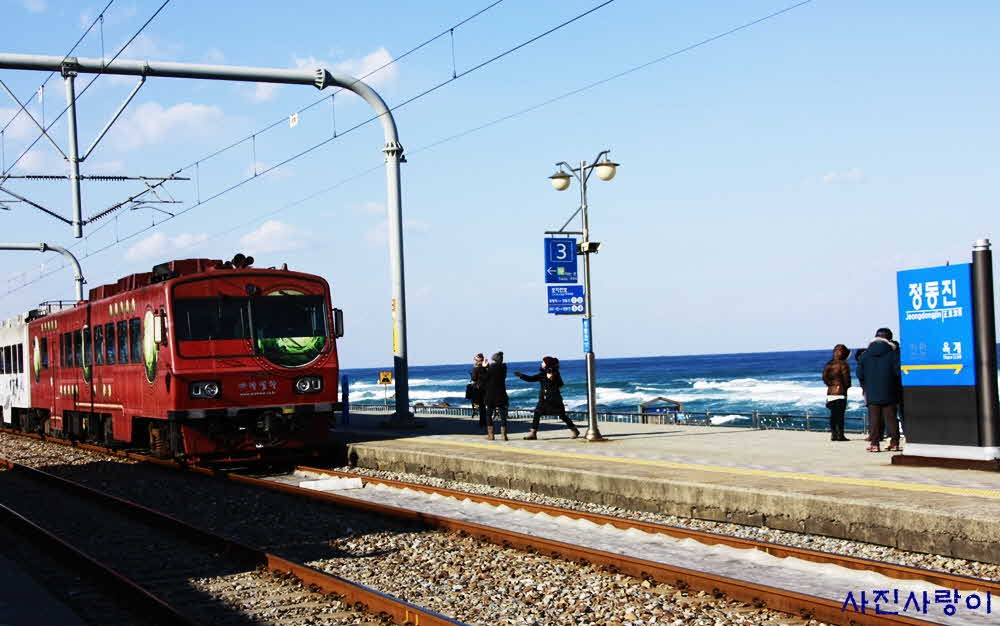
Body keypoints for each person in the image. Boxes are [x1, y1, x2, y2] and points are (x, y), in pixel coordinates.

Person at [857, 328, 902, 452]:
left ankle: (875, 444)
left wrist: (866, 385)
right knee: (891, 418)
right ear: (889, 339)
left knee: (874, 419)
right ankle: (894, 443)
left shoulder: (865, 355)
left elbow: (859, 374)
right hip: (890, 389)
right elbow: (898, 372)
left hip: (871, 390)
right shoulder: (893, 353)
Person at [516, 356, 579, 440]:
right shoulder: (542, 374)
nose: (541, 363)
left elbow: (561, 384)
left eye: (543, 362)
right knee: (537, 413)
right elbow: (531, 379)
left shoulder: (555, 373)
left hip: (554, 399)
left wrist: (552, 379)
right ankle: (533, 433)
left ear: (547, 364)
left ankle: (575, 430)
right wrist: (521, 376)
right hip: (543, 399)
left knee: (562, 415)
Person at [822, 344, 851, 442]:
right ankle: (840, 435)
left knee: (833, 415)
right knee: (840, 415)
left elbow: (824, 378)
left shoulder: (829, 364)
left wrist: (831, 385)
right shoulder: (843, 364)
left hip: (831, 392)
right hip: (841, 392)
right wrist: (846, 386)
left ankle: (834, 434)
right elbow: (846, 379)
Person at [482, 351, 509, 441]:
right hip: (501, 393)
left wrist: (484, 367)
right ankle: (504, 435)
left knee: (489, 414)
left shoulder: (492, 367)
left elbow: (485, 378)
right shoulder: (504, 367)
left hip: (491, 394)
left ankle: (491, 435)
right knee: (503, 415)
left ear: (494, 360)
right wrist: (488, 367)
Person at [467, 353, 488, 430]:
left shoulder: (476, 368)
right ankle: (485, 421)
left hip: (479, 389)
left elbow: (474, 378)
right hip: (487, 388)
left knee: (481, 406)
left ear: (478, 360)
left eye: (475, 359)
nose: (474, 361)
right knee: (485, 406)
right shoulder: (486, 367)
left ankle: (482, 422)